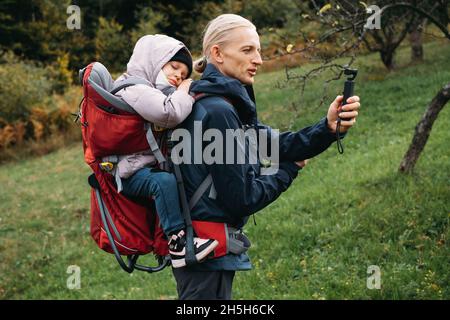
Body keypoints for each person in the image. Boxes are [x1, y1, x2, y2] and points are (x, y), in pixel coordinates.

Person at [171, 14, 361, 299]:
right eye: (247, 50)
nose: (258, 59)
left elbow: (275, 145)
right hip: (207, 254)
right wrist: (288, 170)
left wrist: (327, 128)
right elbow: (242, 198)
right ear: (217, 54)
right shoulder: (219, 111)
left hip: (207, 250)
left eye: (258, 50)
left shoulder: (220, 104)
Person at [114, 34, 218, 268]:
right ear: (154, 60)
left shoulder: (147, 88)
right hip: (130, 173)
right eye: (173, 67)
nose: (177, 77)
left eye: (183, 74)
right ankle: (178, 245)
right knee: (164, 182)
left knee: (167, 182)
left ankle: (169, 243)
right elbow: (168, 113)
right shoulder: (134, 88)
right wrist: (187, 87)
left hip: (139, 167)